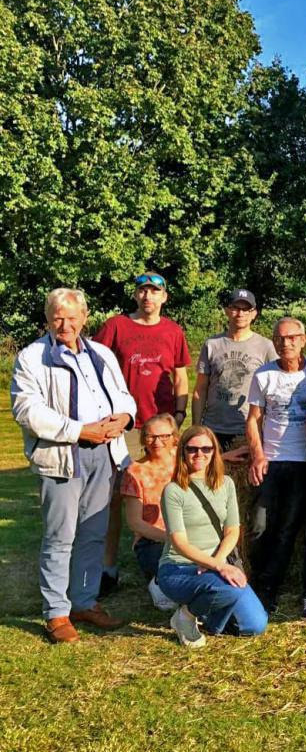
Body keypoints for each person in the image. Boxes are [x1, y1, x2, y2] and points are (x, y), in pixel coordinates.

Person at [12, 288, 137, 643]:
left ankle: (84, 601)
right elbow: (27, 410)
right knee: (60, 536)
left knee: (94, 532)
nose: (64, 324)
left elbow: (122, 394)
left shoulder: (100, 353)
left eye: (71, 317)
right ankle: (56, 613)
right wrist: (79, 430)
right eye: (57, 317)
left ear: (85, 317)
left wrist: (124, 418)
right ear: (48, 319)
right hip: (63, 454)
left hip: (104, 452)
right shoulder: (32, 358)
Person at [93, 271, 191, 594]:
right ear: (136, 296)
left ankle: (171, 550)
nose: (148, 296)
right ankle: (107, 568)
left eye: (155, 291)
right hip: (126, 426)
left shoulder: (173, 331)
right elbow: (92, 366)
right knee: (115, 496)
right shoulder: (116, 326)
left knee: (169, 492)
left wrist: (179, 414)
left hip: (162, 428)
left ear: (165, 297)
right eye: (142, 291)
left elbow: (180, 377)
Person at [157, 425, 268, 647]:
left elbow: (232, 531)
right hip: (179, 568)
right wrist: (220, 567)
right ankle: (186, 617)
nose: (199, 454)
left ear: (214, 452)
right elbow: (179, 543)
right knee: (228, 588)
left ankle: (206, 610)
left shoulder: (226, 483)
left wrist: (218, 563)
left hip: (215, 564)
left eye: (206, 449)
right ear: (183, 452)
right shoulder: (174, 490)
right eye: (192, 449)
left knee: (256, 625)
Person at [244, 317, 306, 614]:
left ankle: (268, 589)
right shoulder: (263, 375)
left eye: (292, 338)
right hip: (273, 459)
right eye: (279, 339)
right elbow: (253, 419)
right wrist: (257, 455)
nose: (285, 343)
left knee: (288, 528)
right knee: (259, 525)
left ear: (304, 339)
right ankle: (252, 582)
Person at [193, 289, 277, 451]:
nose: (240, 313)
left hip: (247, 428)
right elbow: (200, 389)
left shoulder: (266, 347)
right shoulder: (212, 344)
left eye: (246, 309)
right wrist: (197, 426)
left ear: (254, 314)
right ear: (226, 311)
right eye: (235, 308)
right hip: (213, 427)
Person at [121, 413, 181, 611]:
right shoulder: (135, 471)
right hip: (153, 541)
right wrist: (171, 539)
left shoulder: (183, 461)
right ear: (143, 439)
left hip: (186, 534)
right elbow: (135, 523)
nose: (157, 442)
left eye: (164, 436)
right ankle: (158, 582)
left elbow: (210, 460)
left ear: (174, 438)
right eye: (150, 436)